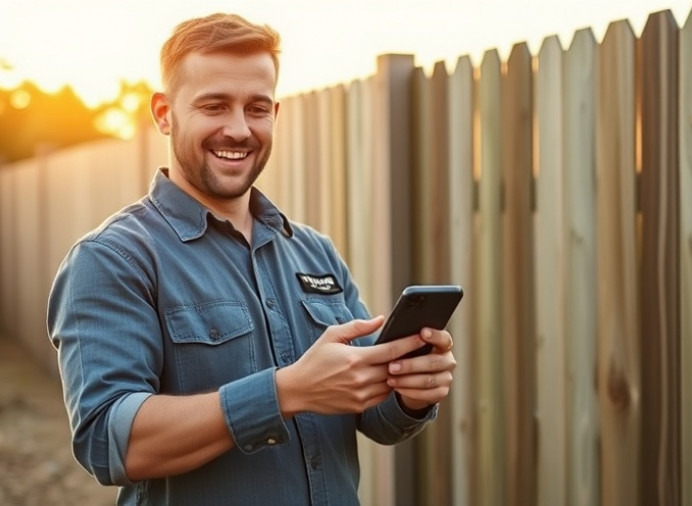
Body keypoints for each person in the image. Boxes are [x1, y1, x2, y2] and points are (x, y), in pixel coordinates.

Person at [47, 13, 456, 505]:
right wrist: (284, 392)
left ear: (275, 114)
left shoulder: (314, 251)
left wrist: (410, 393)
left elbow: (373, 418)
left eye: (256, 108)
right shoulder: (112, 259)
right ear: (163, 113)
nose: (238, 129)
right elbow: (109, 442)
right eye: (214, 105)